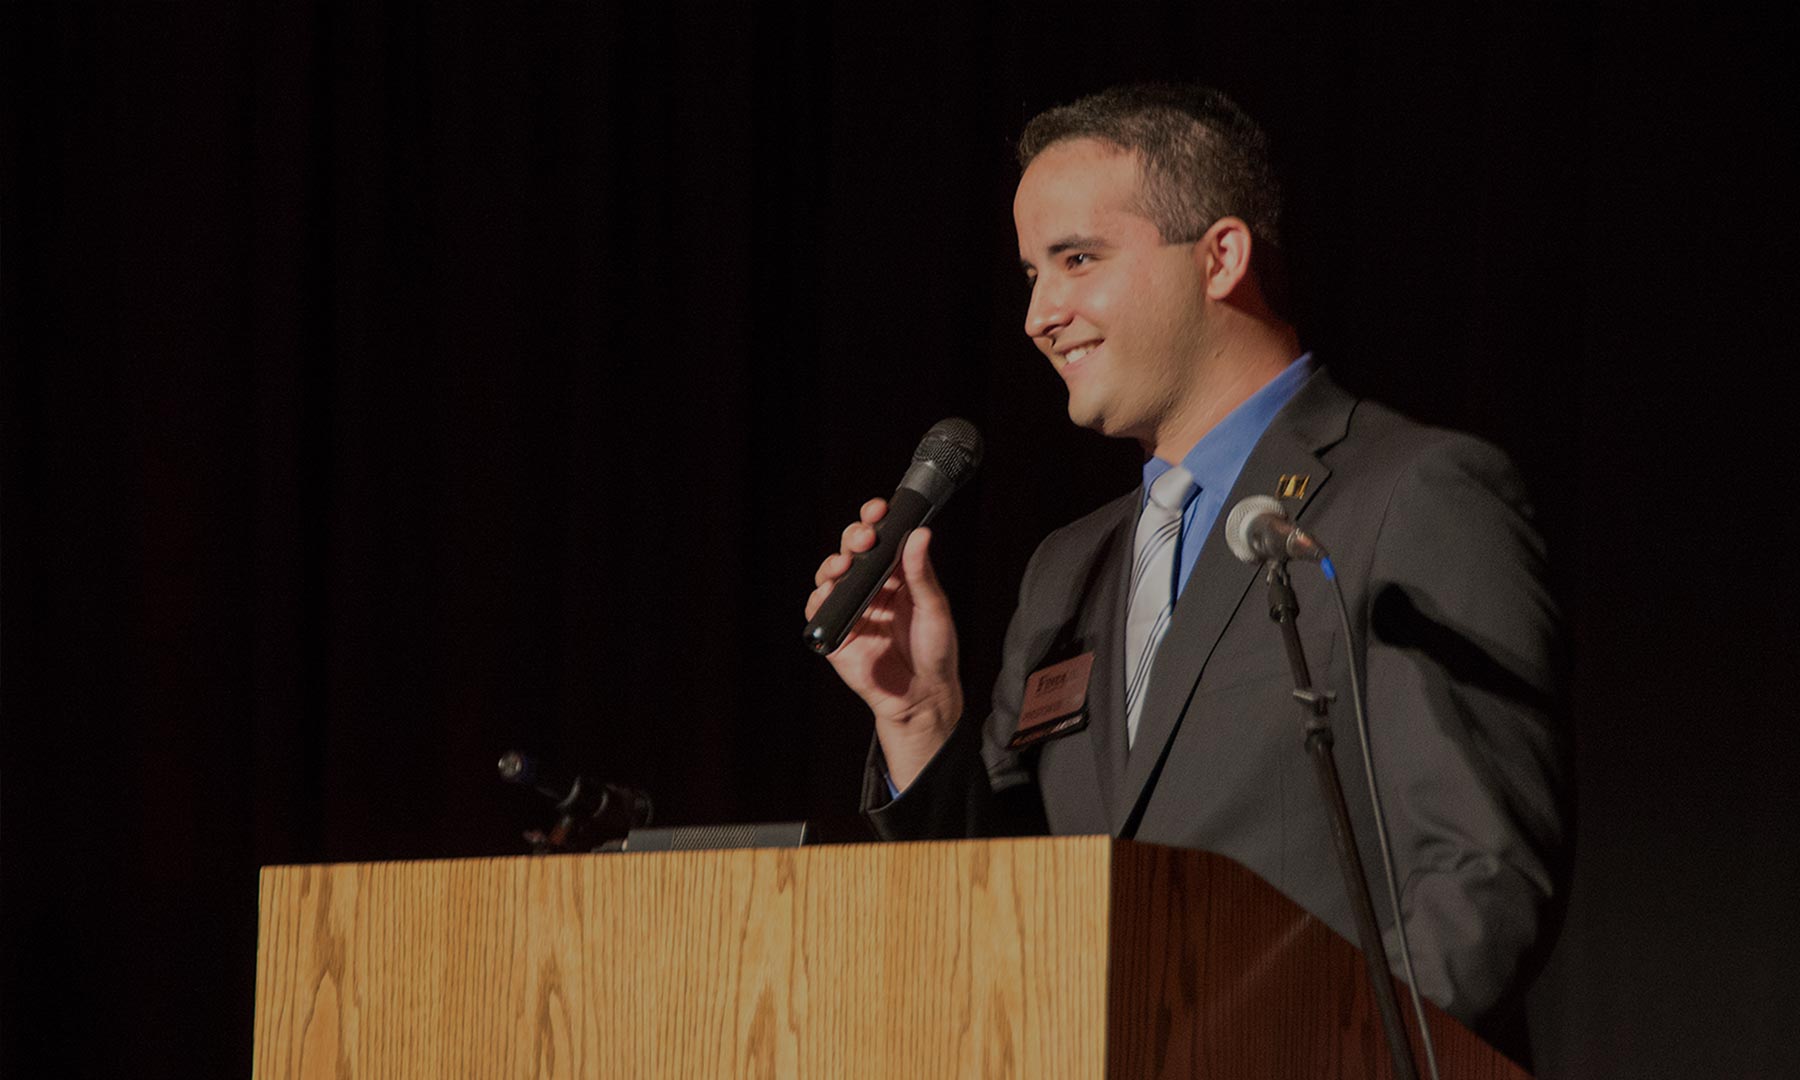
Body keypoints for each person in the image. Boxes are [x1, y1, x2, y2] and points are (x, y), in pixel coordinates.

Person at [804, 83, 1570, 1060]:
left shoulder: (1414, 493)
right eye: (1032, 273)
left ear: (1221, 256)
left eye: (1078, 260)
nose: (1041, 313)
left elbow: (1481, 880)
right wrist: (921, 716)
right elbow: (991, 912)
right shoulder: (1068, 569)